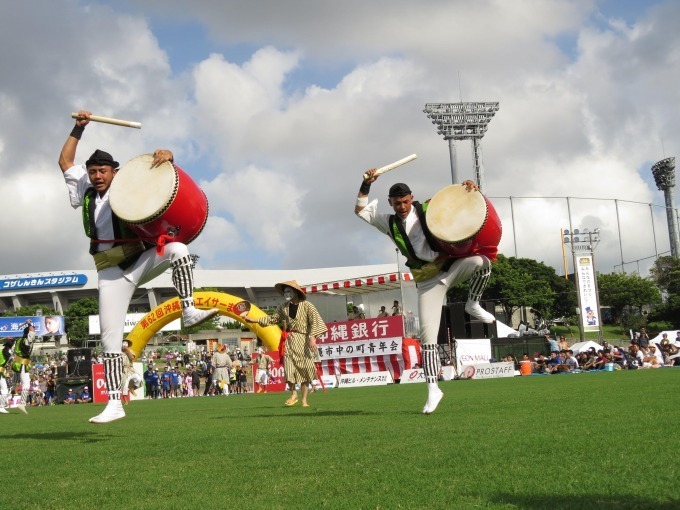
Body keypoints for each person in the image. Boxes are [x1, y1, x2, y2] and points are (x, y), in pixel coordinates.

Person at [59, 111, 219, 423]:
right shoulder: (87, 191)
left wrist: (169, 156)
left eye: (102, 170)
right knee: (109, 341)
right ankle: (115, 404)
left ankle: (188, 308)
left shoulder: (129, 188)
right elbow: (65, 162)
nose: (96, 176)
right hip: (109, 272)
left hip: (139, 260)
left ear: (114, 172)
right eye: (92, 171)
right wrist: (78, 129)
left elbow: (157, 173)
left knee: (177, 248)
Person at [355, 174, 496, 414]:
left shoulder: (428, 208)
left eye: (405, 202)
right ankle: (433, 389)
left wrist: (471, 188)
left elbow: (458, 202)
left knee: (482, 262)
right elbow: (360, 210)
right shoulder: (387, 222)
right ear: (390, 202)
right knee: (428, 341)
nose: (401, 207)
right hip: (428, 283)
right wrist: (367, 183)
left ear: (411, 198)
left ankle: (473, 303)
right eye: (397, 203)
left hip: (449, 269)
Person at [245, 281, 327, 408]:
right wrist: (255, 320)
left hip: (303, 340)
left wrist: (312, 338)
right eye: (285, 292)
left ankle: (304, 400)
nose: (286, 294)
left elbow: (316, 322)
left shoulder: (307, 306)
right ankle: (294, 393)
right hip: (288, 340)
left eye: (289, 291)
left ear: (296, 292)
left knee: (304, 370)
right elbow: (272, 319)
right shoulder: (283, 307)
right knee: (288, 368)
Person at [11, 323, 36, 414]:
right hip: (22, 363)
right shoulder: (26, 340)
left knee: (15, 383)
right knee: (26, 384)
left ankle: (11, 393)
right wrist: (29, 323)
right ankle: (22, 403)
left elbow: (13, 351)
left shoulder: (18, 340)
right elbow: (32, 332)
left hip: (17, 362)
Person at [0, 339, 13, 414]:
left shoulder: (1, 351)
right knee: (4, 390)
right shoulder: (6, 353)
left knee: (4, 389)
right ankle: (1, 407)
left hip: (1, 372)